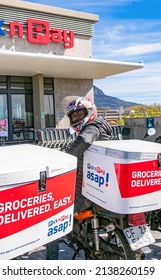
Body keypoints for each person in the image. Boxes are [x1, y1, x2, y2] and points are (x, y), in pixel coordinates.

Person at [46, 96, 113, 260]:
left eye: (79, 114)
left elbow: (85, 139)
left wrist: (65, 160)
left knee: (53, 217)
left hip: (86, 188)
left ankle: (50, 261)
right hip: (95, 183)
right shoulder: (102, 127)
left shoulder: (94, 127)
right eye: (73, 116)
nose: (76, 118)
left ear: (89, 112)